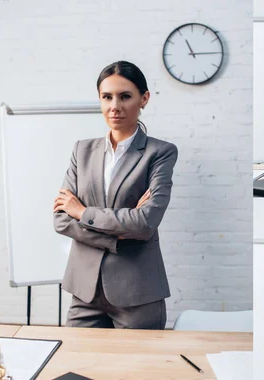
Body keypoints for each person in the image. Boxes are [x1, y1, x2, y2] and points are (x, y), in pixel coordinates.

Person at [53, 61, 178, 329]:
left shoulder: (160, 153)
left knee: (138, 369)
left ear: (144, 99)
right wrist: (118, 235)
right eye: (106, 97)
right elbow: (62, 220)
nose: (114, 106)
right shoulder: (81, 151)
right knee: (77, 365)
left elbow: (145, 222)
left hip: (137, 292)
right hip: (84, 290)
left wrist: (83, 213)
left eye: (125, 96)